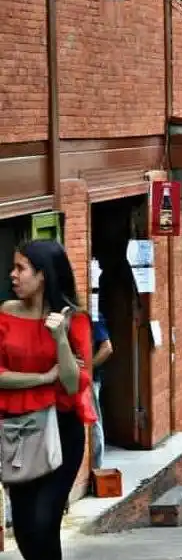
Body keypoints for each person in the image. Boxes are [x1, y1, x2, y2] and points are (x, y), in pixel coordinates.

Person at [0, 240, 94, 559]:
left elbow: (72, 383)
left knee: (44, 522)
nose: (13, 275)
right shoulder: (6, 313)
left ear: (42, 275)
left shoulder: (75, 320)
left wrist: (60, 338)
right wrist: (42, 378)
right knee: (24, 527)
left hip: (61, 430)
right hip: (18, 431)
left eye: (21, 268)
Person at [89, 315, 114, 470]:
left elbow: (107, 348)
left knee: (93, 421)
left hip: (91, 380)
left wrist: (88, 368)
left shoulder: (94, 315)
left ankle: (96, 467)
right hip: (88, 378)